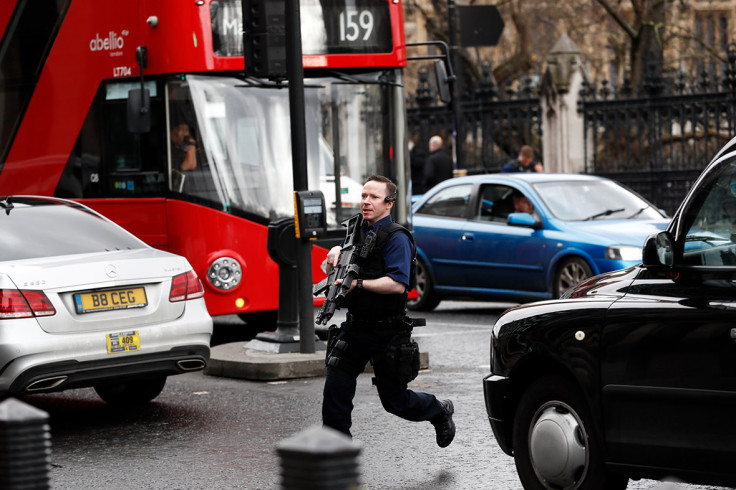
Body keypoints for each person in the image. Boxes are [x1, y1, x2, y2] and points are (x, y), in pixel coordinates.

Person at [321, 175, 455, 448]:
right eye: (364, 196)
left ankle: (439, 411)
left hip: (387, 331)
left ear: (389, 203)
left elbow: (396, 284)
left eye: (373, 197)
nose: (366, 202)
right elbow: (342, 261)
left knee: (395, 402)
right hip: (356, 326)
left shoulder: (397, 238)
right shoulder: (357, 228)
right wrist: (333, 254)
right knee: (336, 388)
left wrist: (357, 284)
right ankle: (335, 452)